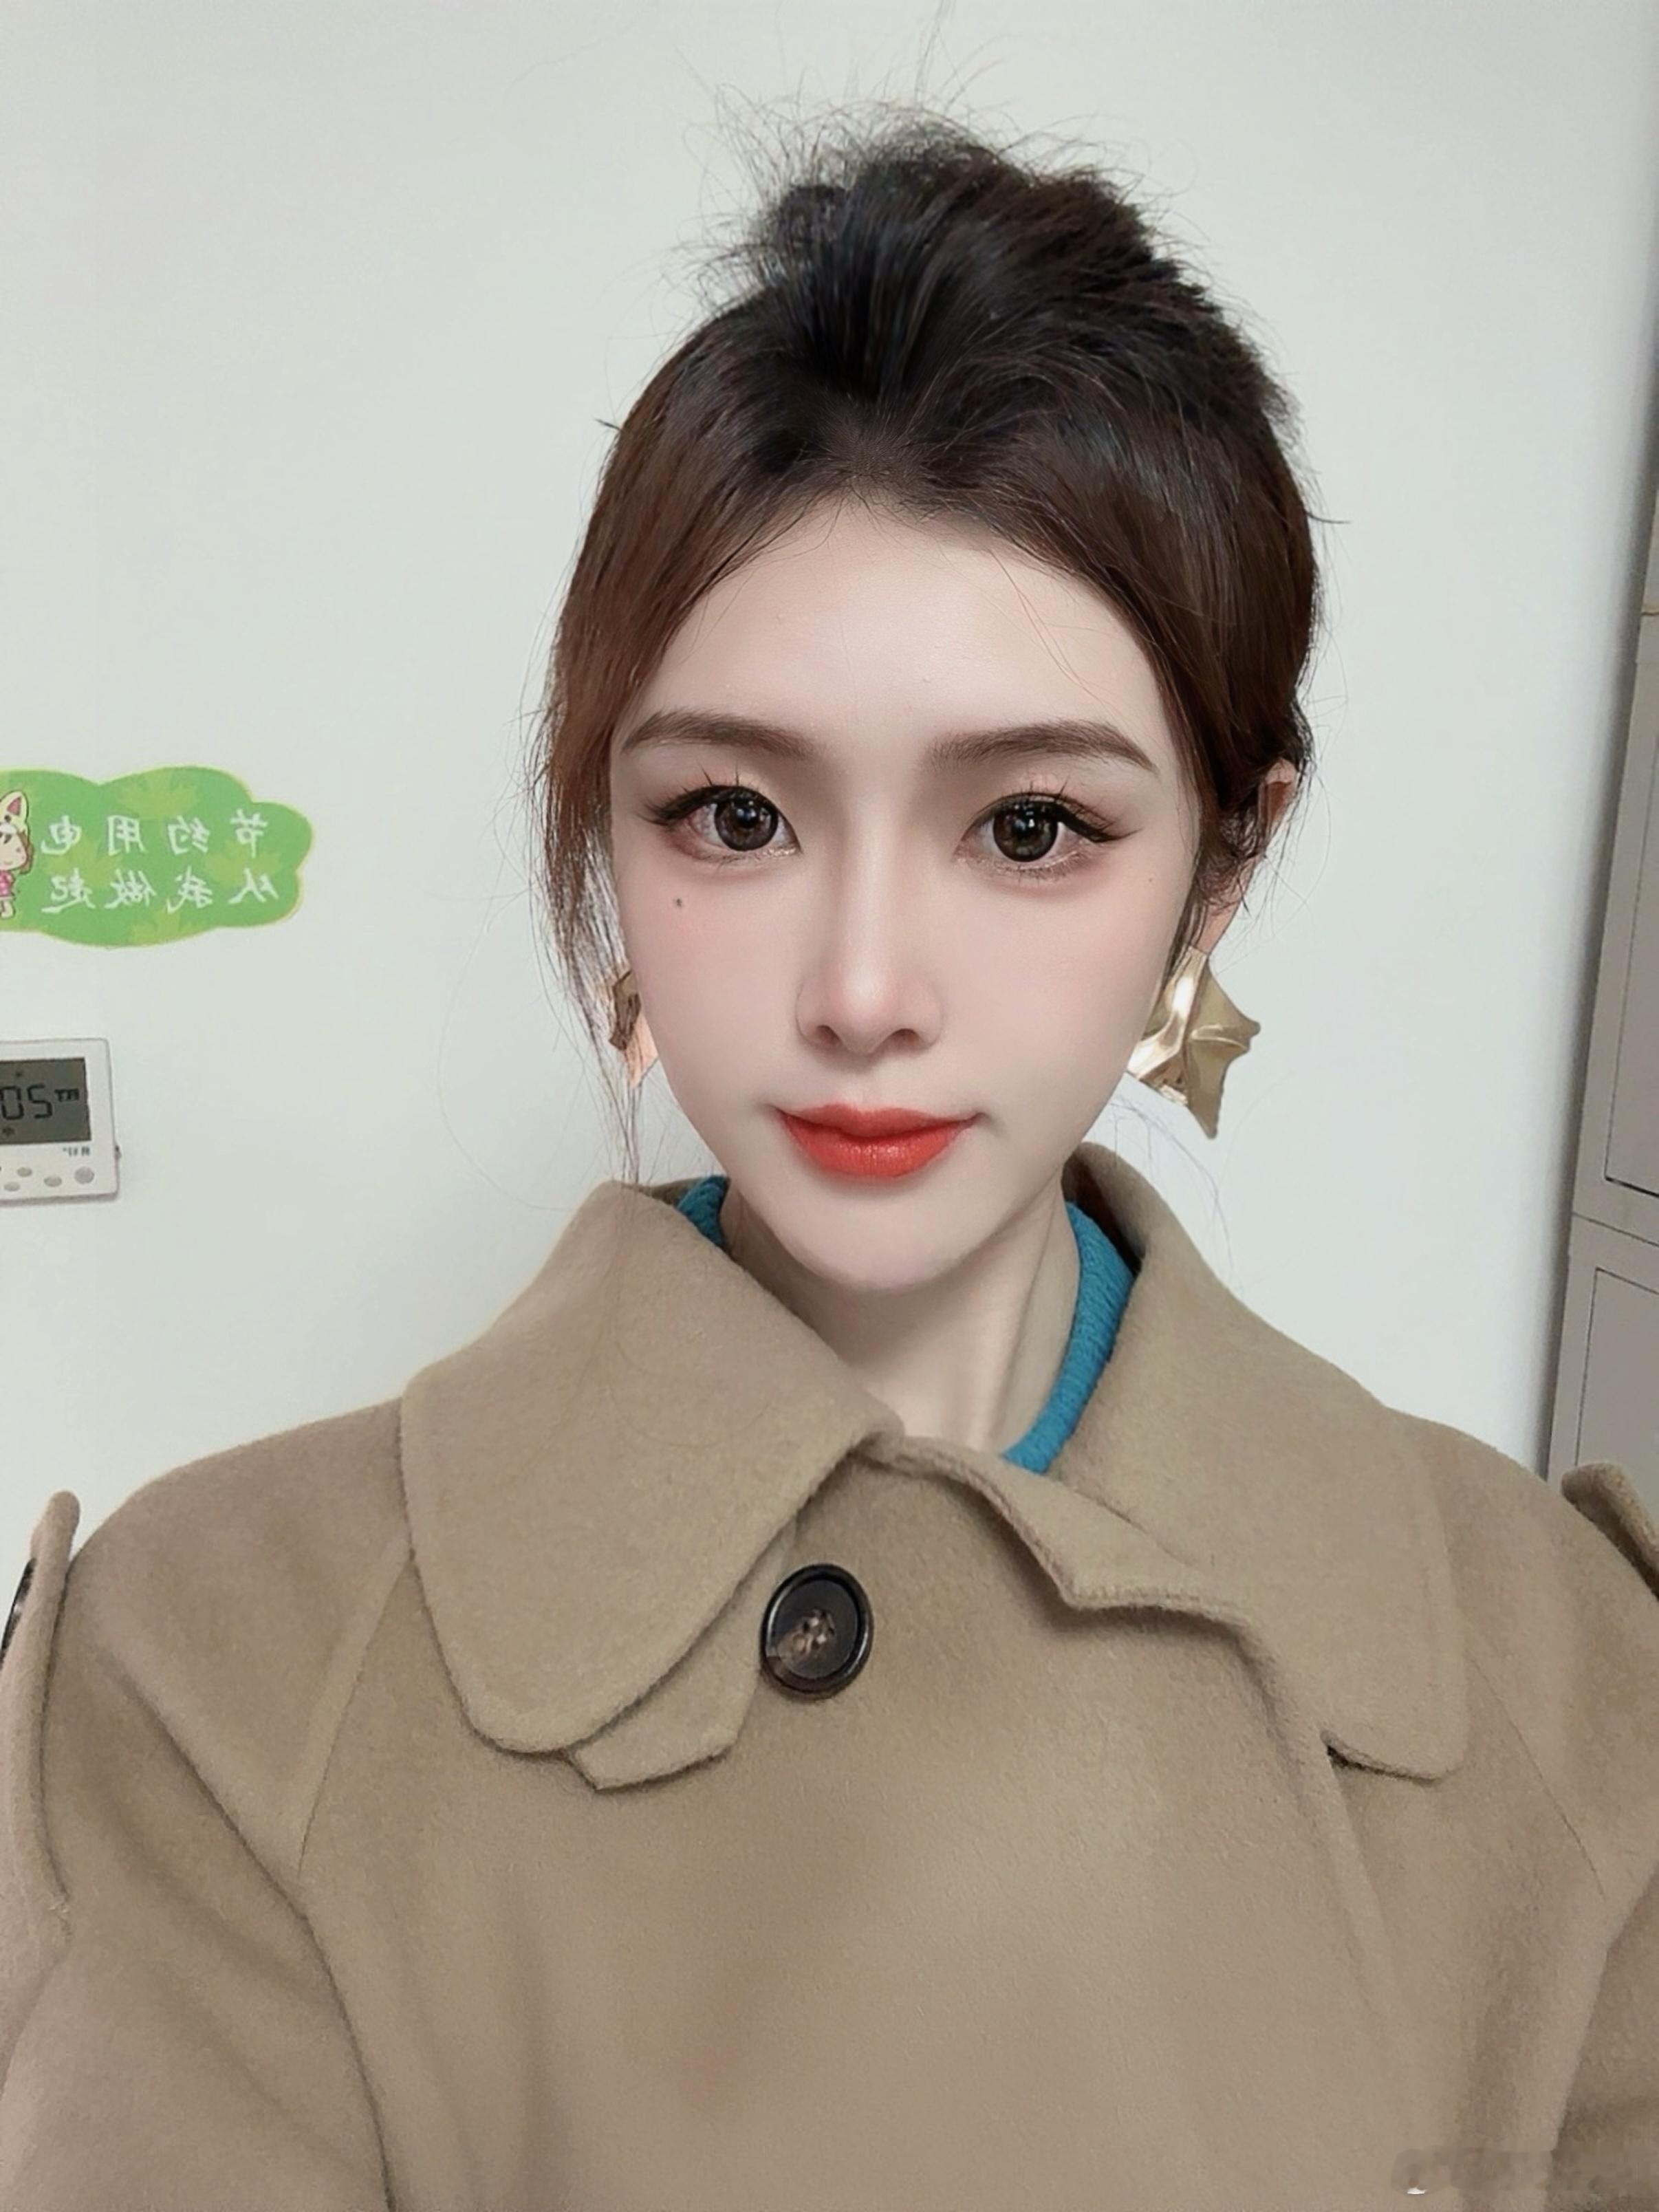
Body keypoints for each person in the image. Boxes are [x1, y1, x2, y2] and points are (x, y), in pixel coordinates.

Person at [2, 109, 1656, 2212]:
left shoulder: (1562, 1674)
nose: (863, 989)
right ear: (606, 826)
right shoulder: (212, 1672)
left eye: (1030, 827)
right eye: (736, 816)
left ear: (1220, 868)